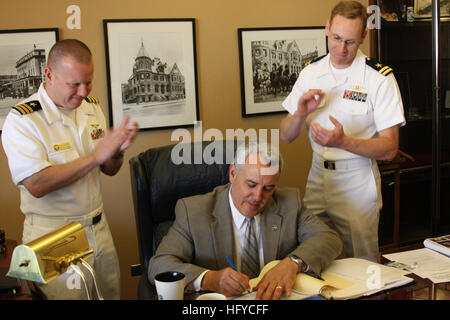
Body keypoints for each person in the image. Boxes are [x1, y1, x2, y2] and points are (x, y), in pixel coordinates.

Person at [2, 39, 138, 299]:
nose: (83, 91)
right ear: (49, 75)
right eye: (74, 84)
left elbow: (109, 169)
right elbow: (37, 184)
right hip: (53, 235)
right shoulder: (23, 120)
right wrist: (96, 156)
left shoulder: (91, 108)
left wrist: (117, 150)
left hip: (99, 229)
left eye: (88, 82)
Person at [280, 1, 405, 258]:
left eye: (349, 41)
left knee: (361, 262)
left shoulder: (379, 78)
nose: (341, 48)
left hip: (357, 180)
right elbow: (286, 135)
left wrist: (343, 142)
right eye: (336, 38)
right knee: (313, 256)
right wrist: (301, 112)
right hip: (318, 177)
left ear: (363, 37)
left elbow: (390, 148)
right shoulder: (310, 72)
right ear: (327, 28)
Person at [148, 141, 342, 300]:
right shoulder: (193, 212)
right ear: (233, 173)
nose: (258, 197)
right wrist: (208, 279)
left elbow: (328, 238)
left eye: (268, 188)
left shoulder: (289, 202)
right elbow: (160, 264)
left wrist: (293, 263)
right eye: (251, 184)